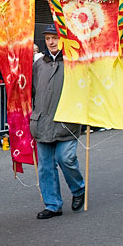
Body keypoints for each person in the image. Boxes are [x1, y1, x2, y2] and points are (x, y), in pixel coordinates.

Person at [30, 24, 85, 219]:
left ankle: (78, 189)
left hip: (67, 121)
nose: (51, 42)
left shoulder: (74, 62)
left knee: (66, 158)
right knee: (45, 166)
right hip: (42, 121)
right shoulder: (38, 64)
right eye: (48, 38)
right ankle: (52, 204)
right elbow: (33, 91)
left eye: (55, 37)